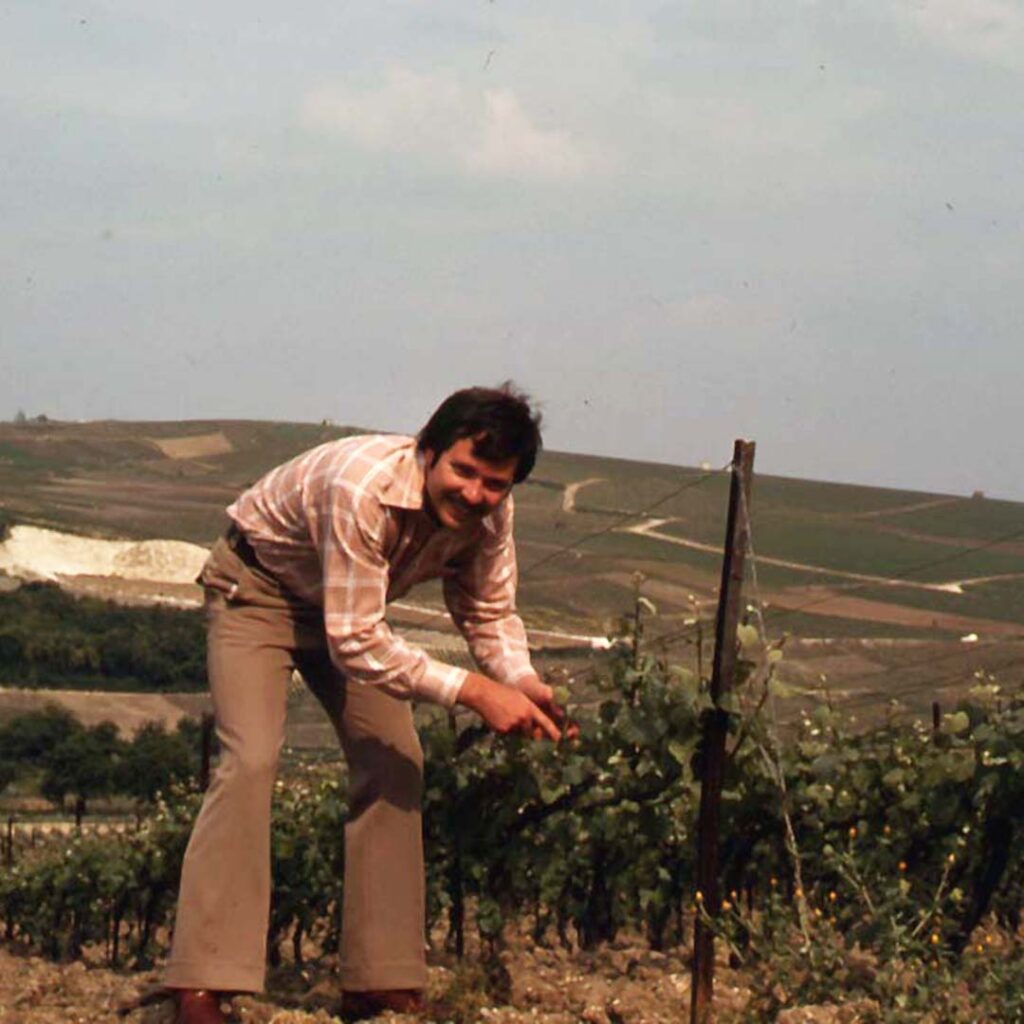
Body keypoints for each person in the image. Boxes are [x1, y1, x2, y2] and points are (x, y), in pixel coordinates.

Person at [166, 384, 566, 1024]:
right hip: (259, 590)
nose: (475, 493)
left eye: (495, 483)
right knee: (252, 760)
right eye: (463, 471)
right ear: (428, 450)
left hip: (349, 608)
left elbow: (487, 609)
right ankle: (203, 983)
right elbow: (354, 642)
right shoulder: (362, 486)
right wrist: (472, 690)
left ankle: (380, 981)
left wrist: (519, 679)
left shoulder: (493, 511)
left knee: (396, 760)